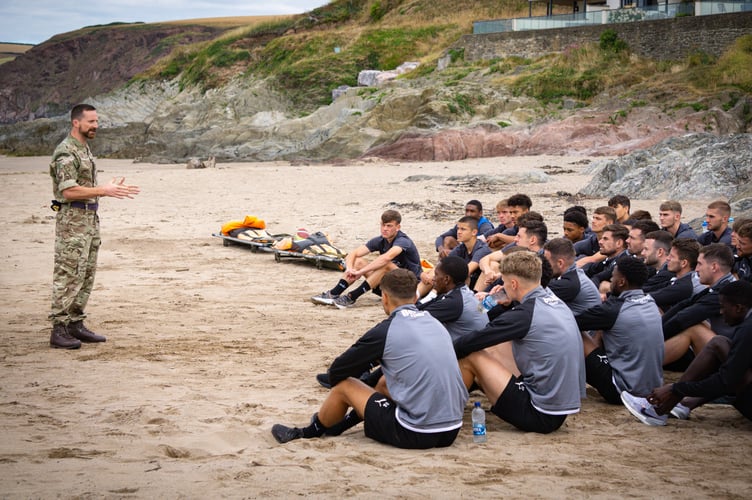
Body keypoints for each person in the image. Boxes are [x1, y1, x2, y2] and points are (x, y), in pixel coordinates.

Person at [273, 269, 469, 448]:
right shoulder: (434, 322)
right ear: (414, 295)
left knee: (344, 386)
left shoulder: (387, 330)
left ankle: (310, 432)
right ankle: (340, 424)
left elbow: (337, 372)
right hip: (451, 429)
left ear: (384, 297)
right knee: (384, 382)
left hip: (414, 432)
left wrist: (371, 362)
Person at [453, 251, 585, 434]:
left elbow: (470, 342)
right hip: (558, 406)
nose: (503, 287)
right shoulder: (551, 299)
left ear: (513, 283)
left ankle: (444, 409)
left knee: (472, 354)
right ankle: (465, 387)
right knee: (494, 346)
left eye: (505, 283)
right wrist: (509, 301)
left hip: (539, 413)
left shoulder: (523, 315)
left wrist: (443, 353)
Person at [48, 103, 140, 349]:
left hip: (89, 219)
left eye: (97, 121)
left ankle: (75, 324)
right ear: (76, 123)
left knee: (87, 273)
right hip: (72, 221)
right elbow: (68, 191)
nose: (95, 126)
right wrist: (104, 190)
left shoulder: (84, 149)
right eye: (91, 122)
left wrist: (104, 189)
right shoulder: (66, 152)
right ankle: (59, 329)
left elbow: (84, 186)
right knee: (68, 274)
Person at [624, 281, 752, 425]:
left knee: (721, 352)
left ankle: (658, 410)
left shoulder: (747, 330)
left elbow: (726, 381)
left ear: (739, 308)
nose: (721, 313)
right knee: (720, 344)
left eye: (723, 307)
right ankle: (683, 405)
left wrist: (675, 388)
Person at [575, 257, 664, 405]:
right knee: (605, 329)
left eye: (613, 276)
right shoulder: (650, 301)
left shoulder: (613, 310)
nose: (611, 279)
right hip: (651, 388)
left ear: (622, 282)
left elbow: (570, 323)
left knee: (573, 332)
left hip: (622, 391)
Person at [311, 209, 422, 309]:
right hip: (390, 286)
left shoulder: (403, 241)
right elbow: (353, 254)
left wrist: (361, 272)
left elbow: (386, 258)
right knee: (358, 261)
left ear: (398, 227)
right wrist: (350, 269)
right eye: (383, 225)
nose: (384, 229)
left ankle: (351, 297)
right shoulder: (380, 240)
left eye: (389, 226)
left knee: (385, 264)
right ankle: (333, 293)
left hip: (409, 288)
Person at [662, 244, 736, 369]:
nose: (696, 269)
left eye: (700, 264)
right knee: (696, 322)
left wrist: (655, 336)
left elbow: (684, 317)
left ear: (714, 267)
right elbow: (685, 305)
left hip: (735, 358)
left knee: (694, 328)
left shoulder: (726, 292)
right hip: (727, 345)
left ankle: (645, 361)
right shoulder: (723, 284)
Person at [417, 256, 489, 341]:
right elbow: (419, 308)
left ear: (446, 279)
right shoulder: (462, 292)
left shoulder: (454, 302)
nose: (433, 279)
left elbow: (415, 318)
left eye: (436, 275)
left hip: (464, 351)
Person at [543, 238, 601, 316]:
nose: (543, 265)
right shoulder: (573, 274)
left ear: (560, 263)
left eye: (546, 261)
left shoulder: (569, 284)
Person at [649, 238, 700, 312]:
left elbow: (652, 297)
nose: (667, 259)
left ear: (684, 263)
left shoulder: (685, 285)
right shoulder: (678, 279)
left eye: (672, 256)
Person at [585, 223, 630, 291]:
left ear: (619, 243)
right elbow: (590, 270)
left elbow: (599, 277)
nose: (600, 242)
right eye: (601, 238)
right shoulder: (607, 260)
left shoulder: (623, 262)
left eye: (605, 239)